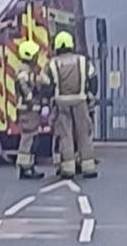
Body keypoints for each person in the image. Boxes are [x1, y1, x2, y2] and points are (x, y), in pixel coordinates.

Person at [40, 31, 99, 180]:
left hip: (62, 103)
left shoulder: (52, 63)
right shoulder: (82, 61)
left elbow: (45, 83)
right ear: (71, 45)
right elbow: (93, 78)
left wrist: (49, 98)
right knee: (84, 134)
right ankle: (88, 167)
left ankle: (68, 169)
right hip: (80, 101)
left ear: (57, 46)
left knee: (66, 135)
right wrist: (90, 94)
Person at [14, 40, 46, 180]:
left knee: (31, 137)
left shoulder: (27, 71)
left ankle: (28, 165)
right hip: (28, 110)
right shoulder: (24, 72)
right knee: (29, 137)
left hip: (30, 109)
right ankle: (26, 167)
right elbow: (25, 89)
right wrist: (31, 97)